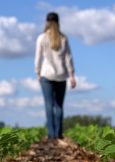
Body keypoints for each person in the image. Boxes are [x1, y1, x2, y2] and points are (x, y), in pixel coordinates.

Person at [35, 12, 77, 140]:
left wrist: (37, 72)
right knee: (59, 105)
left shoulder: (42, 38)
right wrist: (72, 75)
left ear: (46, 22)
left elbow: (38, 57)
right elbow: (69, 58)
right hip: (61, 75)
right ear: (58, 22)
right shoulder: (63, 38)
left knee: (48, 104)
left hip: (46, 75)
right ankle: (58, 134)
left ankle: (51, 134)